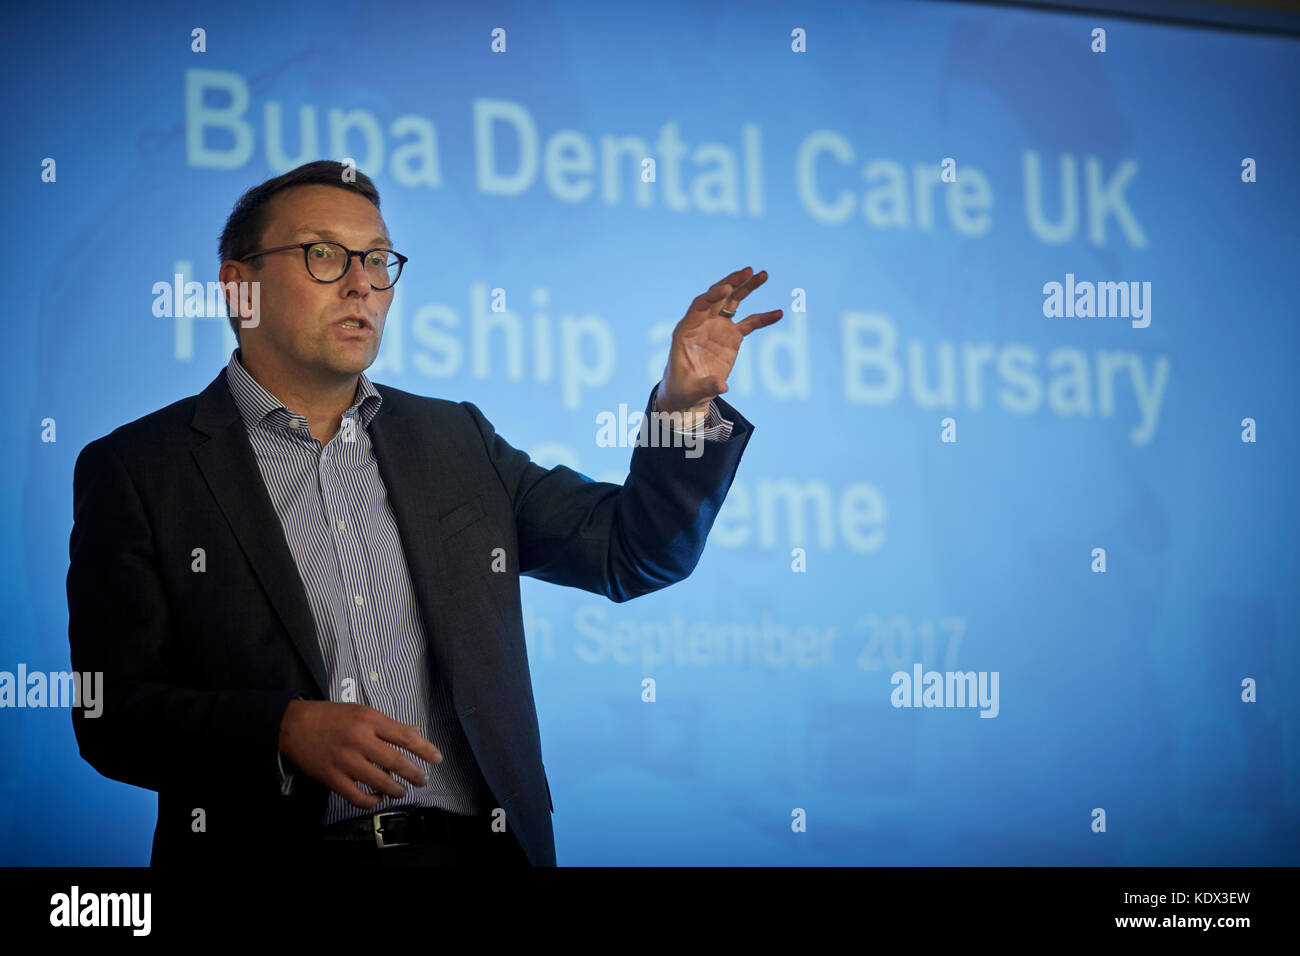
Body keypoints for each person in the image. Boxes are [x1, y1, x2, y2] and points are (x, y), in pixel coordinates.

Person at [66, 160, 782, 866]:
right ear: (240, 286)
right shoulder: (141, 470)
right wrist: (281, 729)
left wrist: (682, 410)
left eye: (378, 260)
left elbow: (632, 552)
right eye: (324, 256)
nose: (361, 284)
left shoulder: (455, 440)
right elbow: (113, 717)